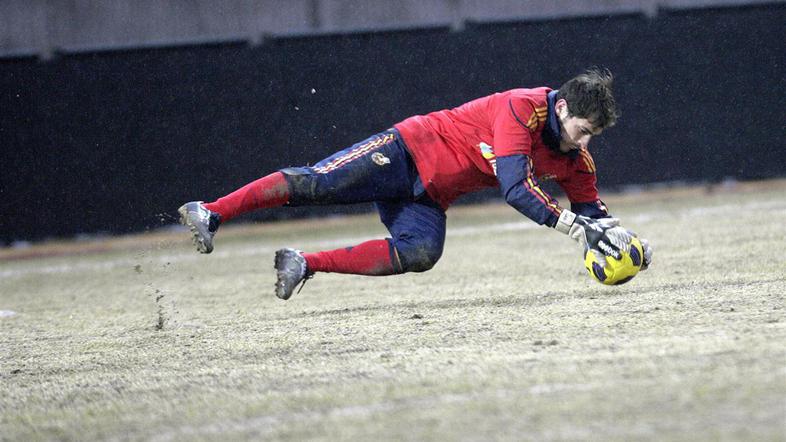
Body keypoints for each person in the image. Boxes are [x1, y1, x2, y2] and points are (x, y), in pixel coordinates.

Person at [178, 68, 652, 300]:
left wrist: (626, 243)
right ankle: (212, 211)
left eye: (594, 135)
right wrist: (572, 227)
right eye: (584, 129)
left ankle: (303, 263)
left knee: (421, 253)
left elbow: (594, 212)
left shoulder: (578, 160)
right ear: (565, 109)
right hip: (405, 152)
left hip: (429, 195)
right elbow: (515, 186)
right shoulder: (523, 108)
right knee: (316, 184)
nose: (585, 142)